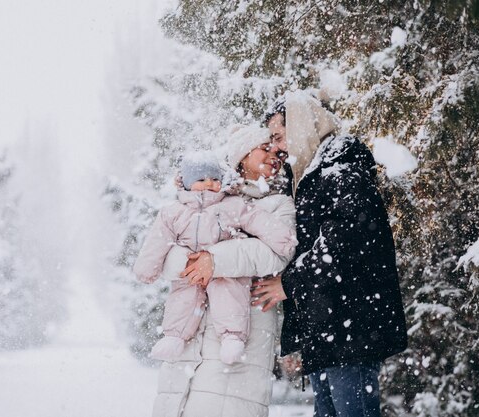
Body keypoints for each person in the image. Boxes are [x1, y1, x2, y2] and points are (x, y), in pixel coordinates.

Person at [251, 90, 408, 417]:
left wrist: (288, 284)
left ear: (301, 125)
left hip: (349, 328)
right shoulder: (310, 175)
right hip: (329, 331)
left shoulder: (340, 169)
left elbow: (339, 243)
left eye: (279, 136)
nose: (277, 147)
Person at [151, 125, 297, 417]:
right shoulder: (197, 197)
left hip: (243, 329)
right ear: (242, 155)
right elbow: (161, 256)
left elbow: (275, 254)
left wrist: (212, 260)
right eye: (264, 149)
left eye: (279, 153)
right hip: (190, 331)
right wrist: (191, 263)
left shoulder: (279, 204)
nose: (274, 157)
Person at [133, 151, 296, 365]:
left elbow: (256, 219)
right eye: (201, 180)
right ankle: (174, 336)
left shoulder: (231, 205)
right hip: (189, 272)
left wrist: (282, 239)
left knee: (230, 294)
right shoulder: (174, 212)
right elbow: (158, 240)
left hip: (224, 270)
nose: (209, 183)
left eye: (215, 179)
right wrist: (147, 268)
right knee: (182, 297)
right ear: (188, 183)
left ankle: (232, 336)